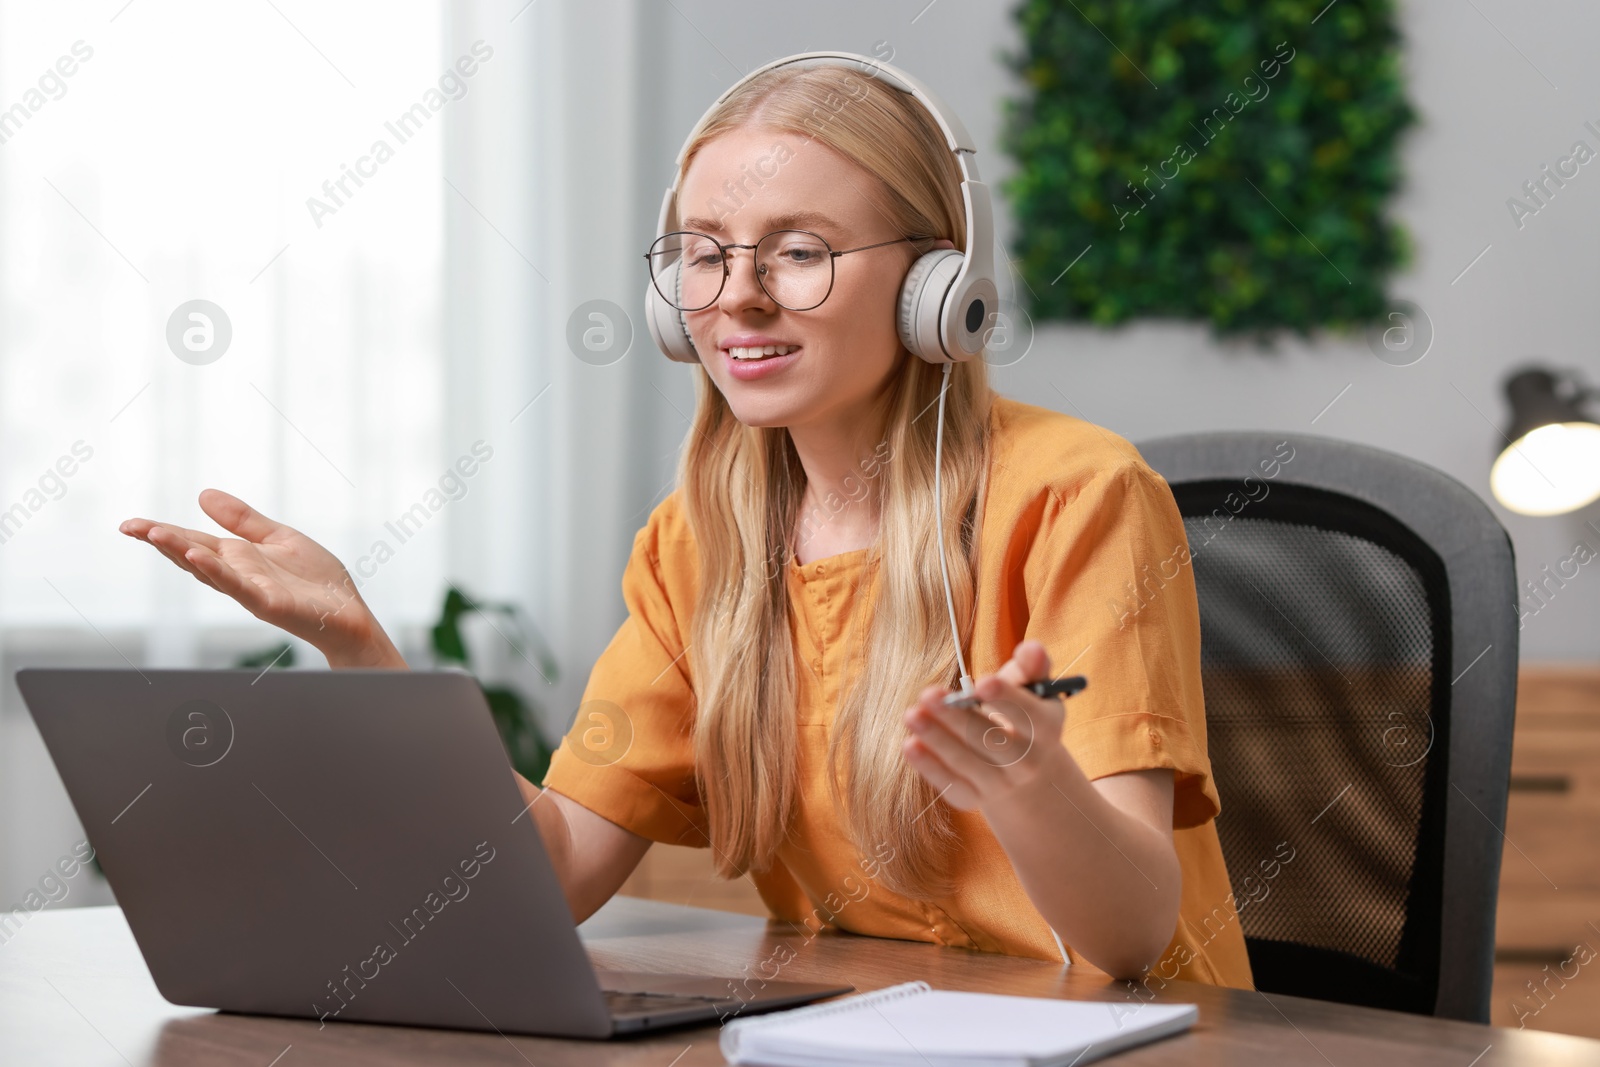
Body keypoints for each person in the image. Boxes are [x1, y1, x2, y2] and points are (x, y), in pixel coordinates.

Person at [119, 59, 1253, 989]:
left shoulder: (1076, 495)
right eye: (703, 254)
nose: (737, 295)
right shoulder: (699, 543)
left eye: (800, 252)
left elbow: (1128, 940)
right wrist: (360, 647)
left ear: (937, 288)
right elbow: (553, 866)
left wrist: (1031, 785)